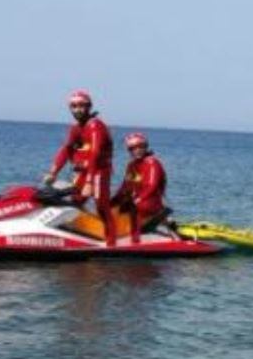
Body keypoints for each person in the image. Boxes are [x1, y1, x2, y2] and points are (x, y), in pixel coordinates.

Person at [44, 90, 116, 246]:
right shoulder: (76, 127)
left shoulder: (95, 126)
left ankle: (111, 242)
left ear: (89, 106)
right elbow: (66, 149)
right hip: (84, 171)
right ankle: (77, 234)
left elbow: (95, 154)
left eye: (81, 105)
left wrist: (89, 183)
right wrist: (53, 172)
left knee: (101, 206)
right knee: (75, 201)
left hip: (99, 172)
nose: (77, 109)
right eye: (74, 106)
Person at [112, 132, 167, 243]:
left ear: (145, 147)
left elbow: (152, 186)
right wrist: (113, 202)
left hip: (150, 204)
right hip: (136, 202)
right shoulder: (132, 165)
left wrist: (137, 200)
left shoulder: (152, 163)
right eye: (132, 148)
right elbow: (125, 187)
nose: (137, 150)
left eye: (140, 147)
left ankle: (135, 240)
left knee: (136, 208)